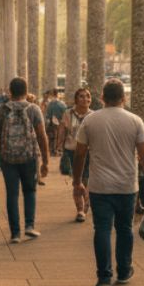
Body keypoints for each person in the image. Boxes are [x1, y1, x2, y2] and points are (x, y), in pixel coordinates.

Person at [72, 79, 144, 286]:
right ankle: (124, 270)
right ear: (124, 98)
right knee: (125, 229)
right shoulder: (135, 121)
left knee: (101, 229)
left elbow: (80, 153)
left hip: (99, 186)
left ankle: (103, 277)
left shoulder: (90, 121)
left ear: (102, 97)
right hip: (126, 186)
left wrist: (77, 182)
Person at [0, 77, 49, 242]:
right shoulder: (33, 109)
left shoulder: (2, 109)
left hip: (8, 158)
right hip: (29, 157)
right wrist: (46, 160)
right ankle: (29, 225)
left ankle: (15, 233)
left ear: (10, 91)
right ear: (26, 91)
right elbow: (42, 136)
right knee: (30, 191)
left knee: (12, 194)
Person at [57, 87, 94, 221]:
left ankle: (86, 206)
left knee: (87, 180)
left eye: (88, 96)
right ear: (76, 99)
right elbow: (62, 130)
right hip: (72, 151)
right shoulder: (68, 113)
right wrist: (59, 146)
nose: (85, 99)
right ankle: (80, 210)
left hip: (90, 152)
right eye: (82, 96)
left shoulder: (93, 115)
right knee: (76, 181)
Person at [46, 89, 66, 156]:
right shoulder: (61, 104)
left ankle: (52, 151)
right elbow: (65, 112)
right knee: (60, 137)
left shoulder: (50, 104)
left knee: (52, 137)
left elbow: (48, 115)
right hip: (60, 123)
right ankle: (59, 150)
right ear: (57, 94)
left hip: (52, 122)